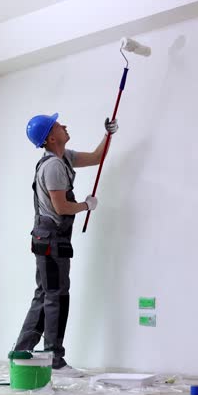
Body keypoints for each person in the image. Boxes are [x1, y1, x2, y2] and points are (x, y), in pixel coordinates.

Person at [14, 112, 118, 377]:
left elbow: (96, 158)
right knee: (56, 296)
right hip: (51, 239)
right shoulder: (53, 167)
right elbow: (61, 207)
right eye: (59, 125)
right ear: (50, 137)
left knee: (46, 293)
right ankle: (54, 360)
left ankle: (22, 352)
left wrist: (107, 135)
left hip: (48, 239)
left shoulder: (64, 157)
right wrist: (86, 205)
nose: (65, 126)